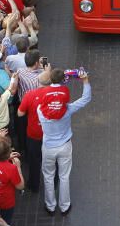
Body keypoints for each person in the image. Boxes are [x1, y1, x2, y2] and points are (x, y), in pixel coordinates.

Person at [38, 68, 92, 216]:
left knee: (48, 176)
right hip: (65, 146)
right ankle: (64, 206)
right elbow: (85, 99)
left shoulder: (40, 111)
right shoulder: (67, 109)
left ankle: (50, 206)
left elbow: (45, 95)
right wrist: (85, 81)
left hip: (48, 147)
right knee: (64, 176)